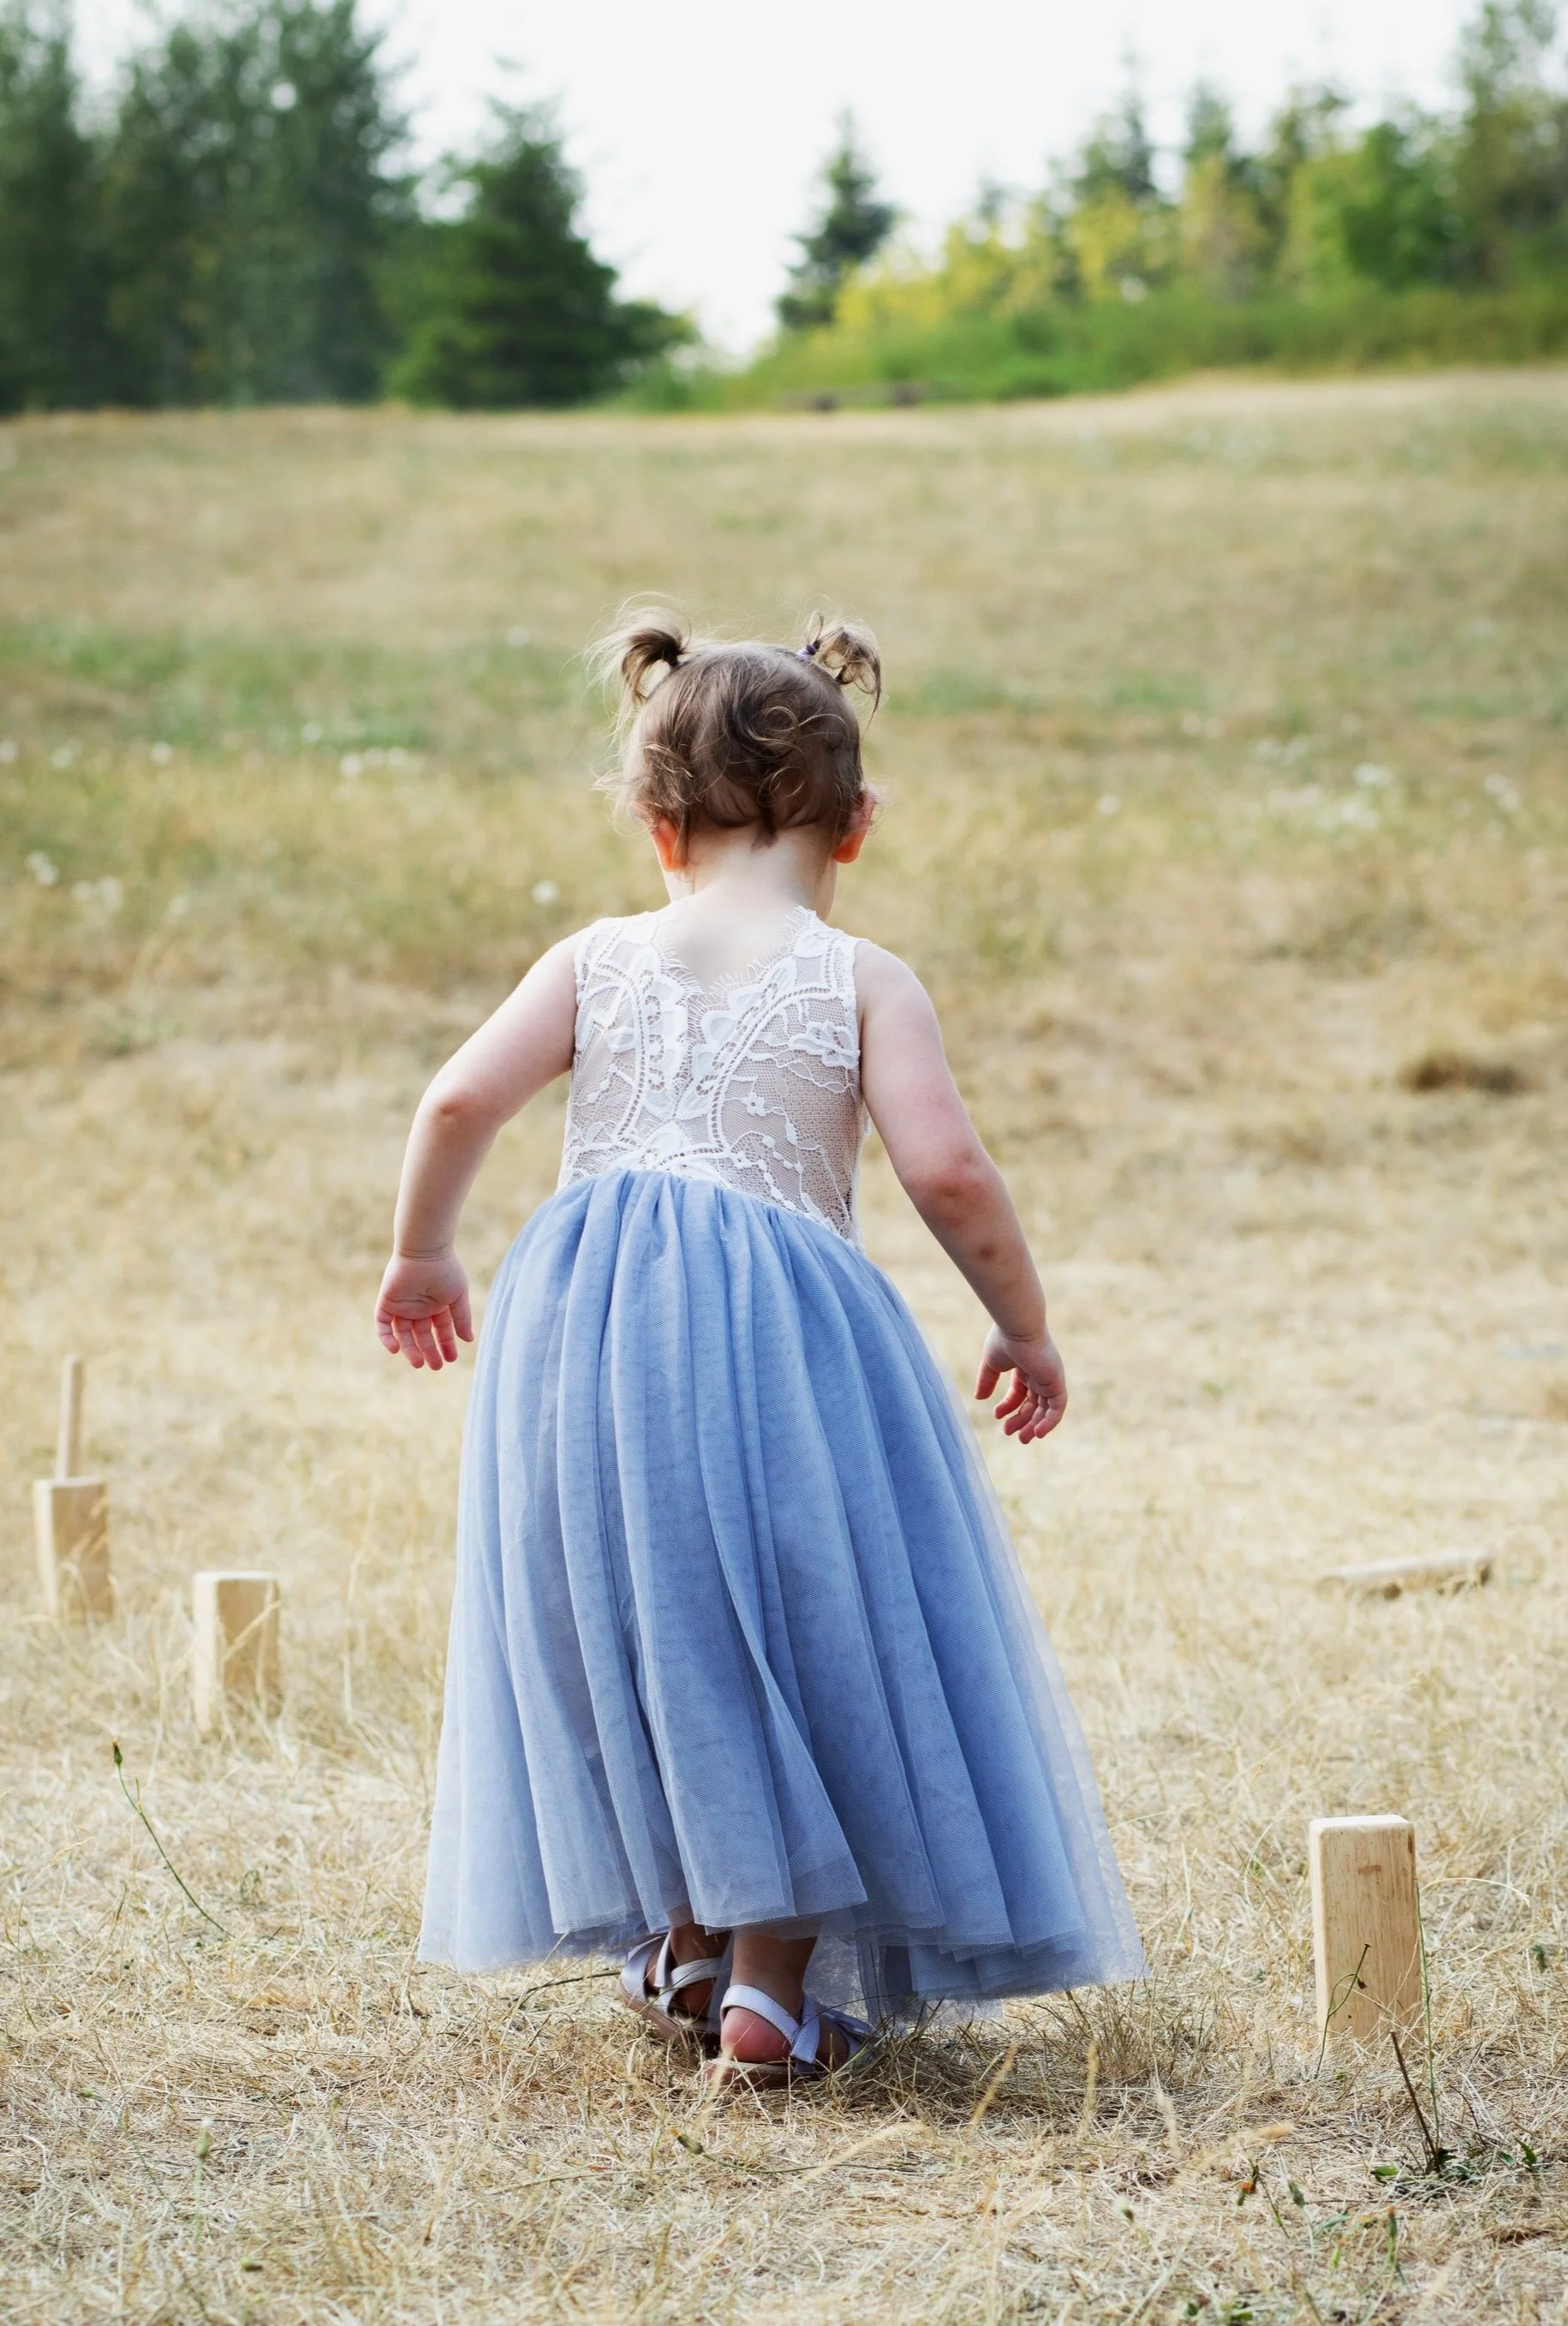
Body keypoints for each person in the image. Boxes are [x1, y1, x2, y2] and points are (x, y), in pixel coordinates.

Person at [376, 611, 1142, 2084]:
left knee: (642, 1622)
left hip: (584, 1328)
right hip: (785, 1334)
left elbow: (458, 1104)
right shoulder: (860, 977)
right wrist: (1023, 1323)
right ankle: (769, 1989)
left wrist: (424, 1250)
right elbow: (951, 1175)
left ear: (659, 827)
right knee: (804, 1629)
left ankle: (682, 1933)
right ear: (857, 826)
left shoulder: (594, 959)